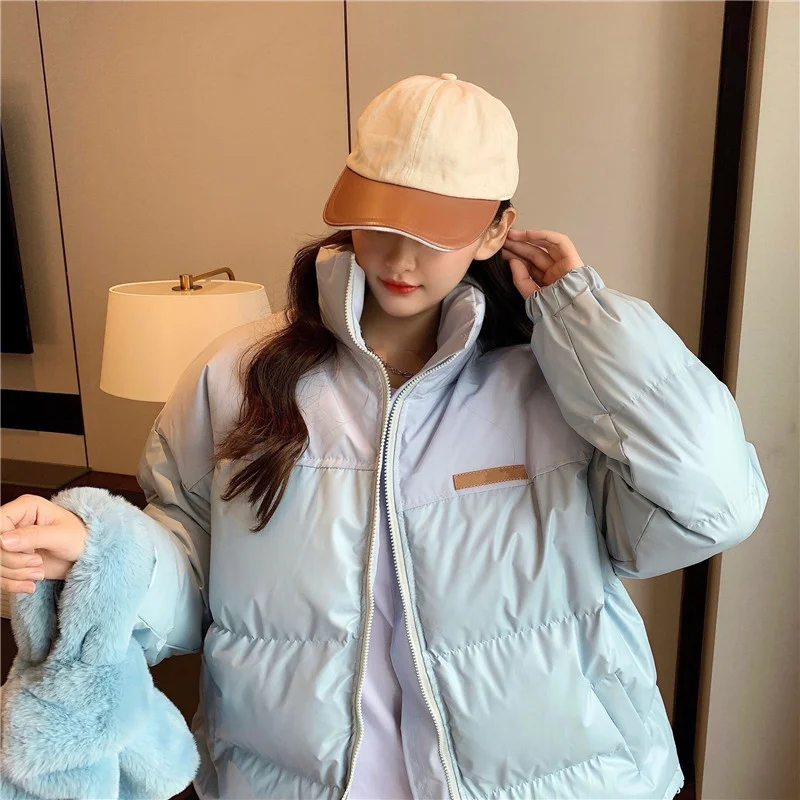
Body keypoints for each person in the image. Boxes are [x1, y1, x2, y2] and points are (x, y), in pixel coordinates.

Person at [0, 73, 768, 800]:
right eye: (382, 223)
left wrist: (587, 318)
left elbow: (714, 505)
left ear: (497, 229)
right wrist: (96, 554)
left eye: (437, 232)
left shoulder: (554, 385)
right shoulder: (234, 376)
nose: (402, 258)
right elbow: (192, 569)